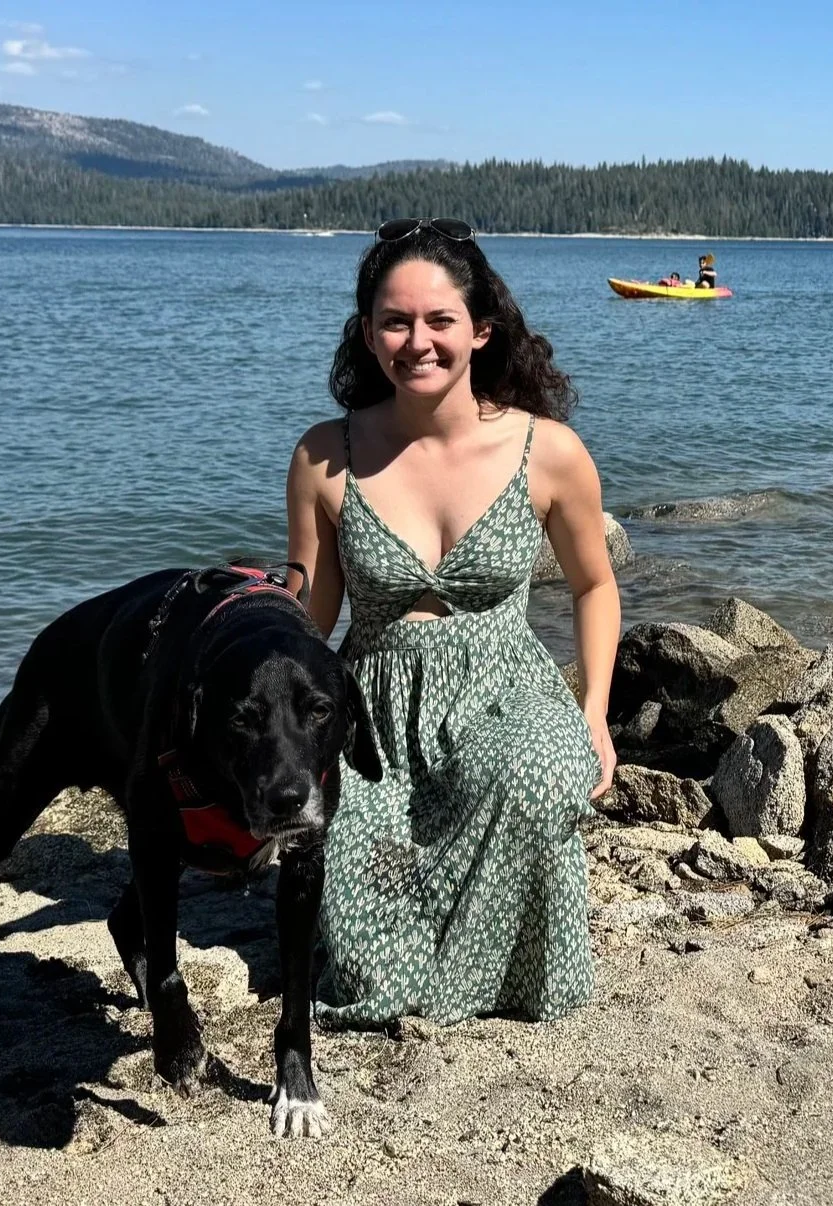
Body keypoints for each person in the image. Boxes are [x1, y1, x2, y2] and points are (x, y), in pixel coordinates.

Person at [285, 216, 620, 1028]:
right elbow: (311, 617)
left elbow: (594, 584)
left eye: (439, 320)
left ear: (481, 329)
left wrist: (595, 714)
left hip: (505, 691)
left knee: (537, 777)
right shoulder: (325, 456)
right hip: (377, 713)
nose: (417, 341)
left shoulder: (549, 452)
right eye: (395, 322)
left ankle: (495, 976)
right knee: (355, 930)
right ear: (367, 334)